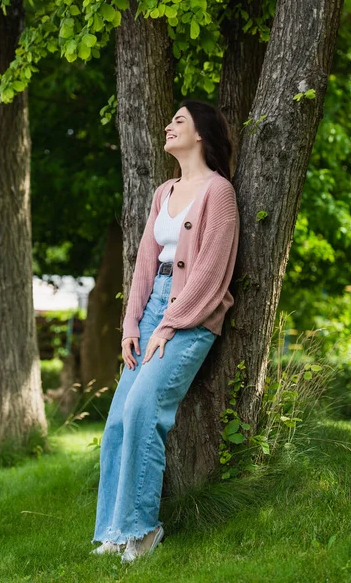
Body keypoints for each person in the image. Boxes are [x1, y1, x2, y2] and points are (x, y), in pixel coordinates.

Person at [90, 99, 240, 563]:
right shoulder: (163, 192)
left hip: (191, 319)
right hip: (153, 312)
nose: (169, 126)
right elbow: (144, 266)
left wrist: (171, 325)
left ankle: (143, 530)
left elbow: (212, 272)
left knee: (142, 411)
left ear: (201, 134)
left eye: (180, 120)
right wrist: (131, 325)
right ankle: (111, 532)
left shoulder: (220, 192)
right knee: (117, 420)